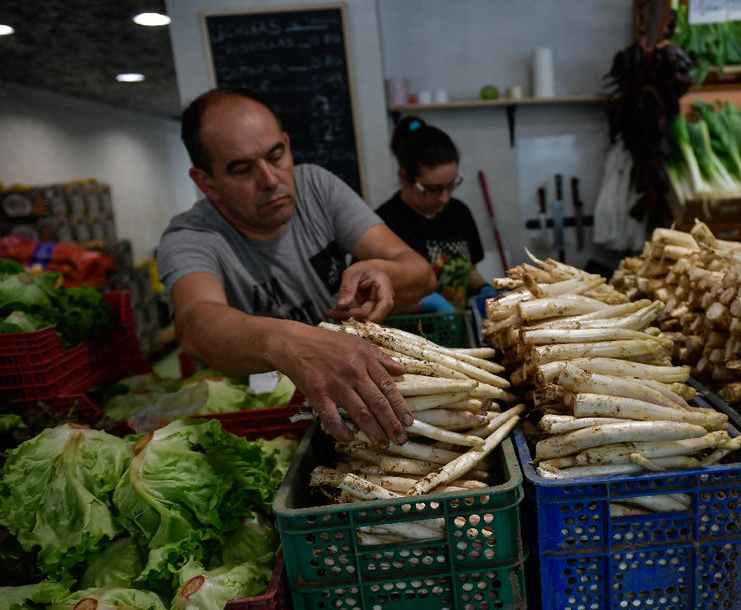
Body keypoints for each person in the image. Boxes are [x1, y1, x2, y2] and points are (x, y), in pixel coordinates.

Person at [156, 87, 436, 446]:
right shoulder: (189, 236)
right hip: (261, 428)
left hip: (351, 402)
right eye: (242, 169)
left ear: (287, 145)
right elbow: (196, 324)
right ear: (206, 183)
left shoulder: (316, 187)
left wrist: (386, 273)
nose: (270, 180)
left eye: (276, 156)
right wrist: (288, 342)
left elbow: (419, 272)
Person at [376, 116, 493, 312]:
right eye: (432, 189)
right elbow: (370, 295)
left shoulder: (459, 213)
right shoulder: (382, 224)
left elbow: (469, 270)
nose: (444, 198)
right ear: (404, 177)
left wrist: (484, 289)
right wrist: (423, 304)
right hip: (411, 335)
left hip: (458, 329)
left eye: (451, 185)